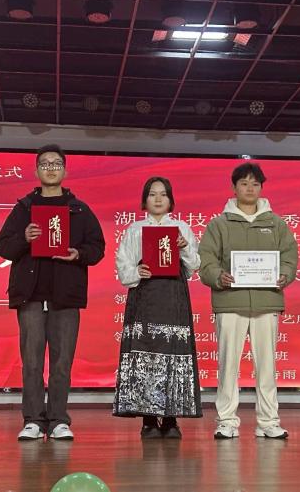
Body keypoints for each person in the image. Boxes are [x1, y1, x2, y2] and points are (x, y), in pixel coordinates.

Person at [0, 144, 106, 441]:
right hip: (30, 296)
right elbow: (3, 246)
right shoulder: (24, 208)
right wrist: (24, 237)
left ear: (65, 170)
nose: (51, 168)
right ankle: (33, 419)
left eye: (56, 163)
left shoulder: (79, 209)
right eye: (45, 163)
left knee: (61, 362)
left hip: (65, 296)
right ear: (37, 170)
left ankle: (58, 420)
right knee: (31, 361)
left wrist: (78, 254)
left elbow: (97, 248)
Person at [198, 162, 298, 440]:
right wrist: (219, 276)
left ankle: (268, 422)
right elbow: (206, 261)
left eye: (255, 183)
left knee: (267, 367)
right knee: (228, 366)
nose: (250, 188)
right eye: (244, 183)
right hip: (230, 302)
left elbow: (289, 256)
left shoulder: (276, 223)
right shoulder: (219, 224)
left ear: (262, 188)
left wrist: (284, 274)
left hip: (267, 302)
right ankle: (226, 421)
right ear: (234, 188)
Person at [112, 177, 202, 438]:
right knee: (146, 354)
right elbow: (123, 264)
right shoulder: (135, 229)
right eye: (153, 194)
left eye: (163, 194)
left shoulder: (181, 227)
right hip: (144, 297)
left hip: (174, 297)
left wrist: (184, 248)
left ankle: (171, 420)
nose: (158, 199)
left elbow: (194, 265)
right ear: (145, 200)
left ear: (171, 200)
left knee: (173, 352)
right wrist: (136, 271)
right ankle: (149, 420)